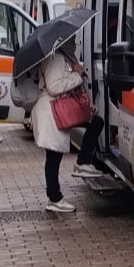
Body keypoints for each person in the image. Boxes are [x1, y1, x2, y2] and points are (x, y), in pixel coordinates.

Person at [30, 37, 104, 213]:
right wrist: (76, 75)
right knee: (53, 156)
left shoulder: (62, 56)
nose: (75, 42)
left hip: (59, 108)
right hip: (52, 110)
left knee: (95, 122)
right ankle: (55, 198)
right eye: (72, 39)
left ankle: (82, 163)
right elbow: (55, 87)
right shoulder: (56, 58)